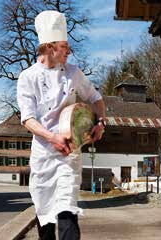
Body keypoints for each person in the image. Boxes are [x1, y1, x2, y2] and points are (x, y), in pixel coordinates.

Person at [17, 10, 106, 240]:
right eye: (64, 46)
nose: (69, 51)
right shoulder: (28, 77)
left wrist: (101, 122)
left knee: (67, 212)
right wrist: (52, 137)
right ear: (49, 47)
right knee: (45, 216)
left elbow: (96, 98)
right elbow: (28, 119)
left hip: (69, 154)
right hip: (44, 156)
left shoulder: (74, 73)